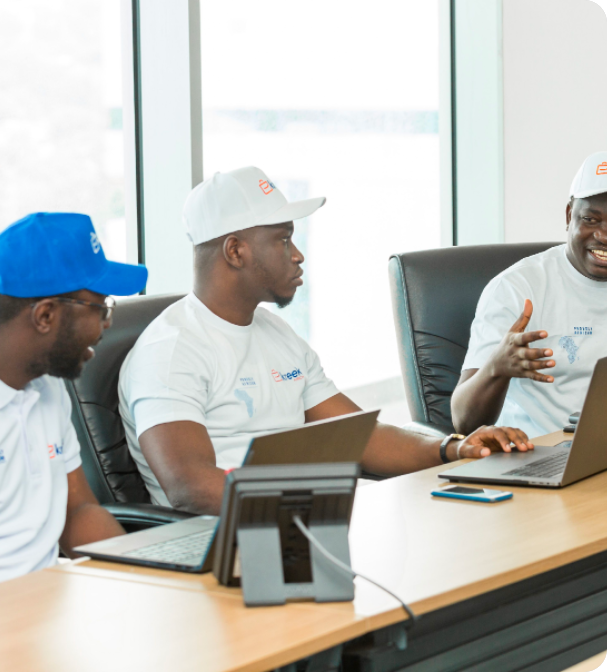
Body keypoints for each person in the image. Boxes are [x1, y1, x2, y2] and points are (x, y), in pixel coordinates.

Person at [118, 166, 532, 515]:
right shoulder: (171, 351)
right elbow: (190, 487)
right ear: (235, 251)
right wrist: (317, 509)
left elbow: (360, 436)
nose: (297, 254)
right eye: (283, 239)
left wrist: (454, 449)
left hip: (299, 524)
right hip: (226, 541)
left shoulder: (276, 333)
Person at [0, 212, 148, 605]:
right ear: (45, 316)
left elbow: (77, 511)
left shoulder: (46, 381)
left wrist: (145, 579)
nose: (107, 323)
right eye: (101, 307)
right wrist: (33, 625)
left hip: (44, 610)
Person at [451, 151, 607, 437]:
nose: (604, 236)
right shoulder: (516, 288)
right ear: (569, 215)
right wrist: (497, 368)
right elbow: (463, 423)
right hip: (538, 454)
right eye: (591, 219)